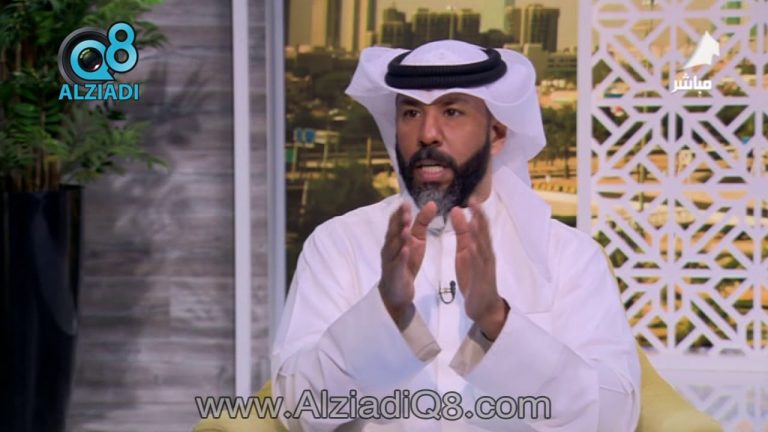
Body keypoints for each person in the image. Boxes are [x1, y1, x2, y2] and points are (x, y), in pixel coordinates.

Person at [271, 40, 640, 431]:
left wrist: (498, 321)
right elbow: (296, 410)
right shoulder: (339, 244)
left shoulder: (567, 254)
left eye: (452, 111)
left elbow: (613, 418)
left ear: (497, 134)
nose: (427, 133)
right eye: (411, 112)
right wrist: (384, 311)